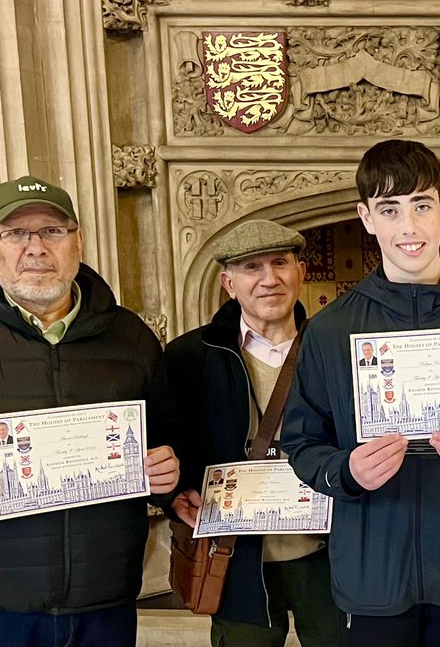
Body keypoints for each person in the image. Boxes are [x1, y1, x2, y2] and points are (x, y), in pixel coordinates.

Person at [281, 140, 440, 646]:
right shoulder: (333, 330)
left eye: (421, 205)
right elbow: (302, 444)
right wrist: (346, 472)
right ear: (366, 217)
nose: (408, 227)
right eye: (389, 209)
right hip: (372, 574)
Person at [0, 175, 180, 646]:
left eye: (52, 231)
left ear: (78, 241)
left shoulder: (129, 336)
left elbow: (169, 436)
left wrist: (170, 471)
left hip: (106, 602)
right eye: (15, 234)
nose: (35, 248)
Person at [166, 219, 344, 647]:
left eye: (281, 263)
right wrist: (175, 495)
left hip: (327, 552)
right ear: (229, 283)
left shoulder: (337, 348)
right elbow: (172, 443)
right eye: (251, 268)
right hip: (234, 557)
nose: (269, 279)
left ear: (301, 273)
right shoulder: (189, 356)